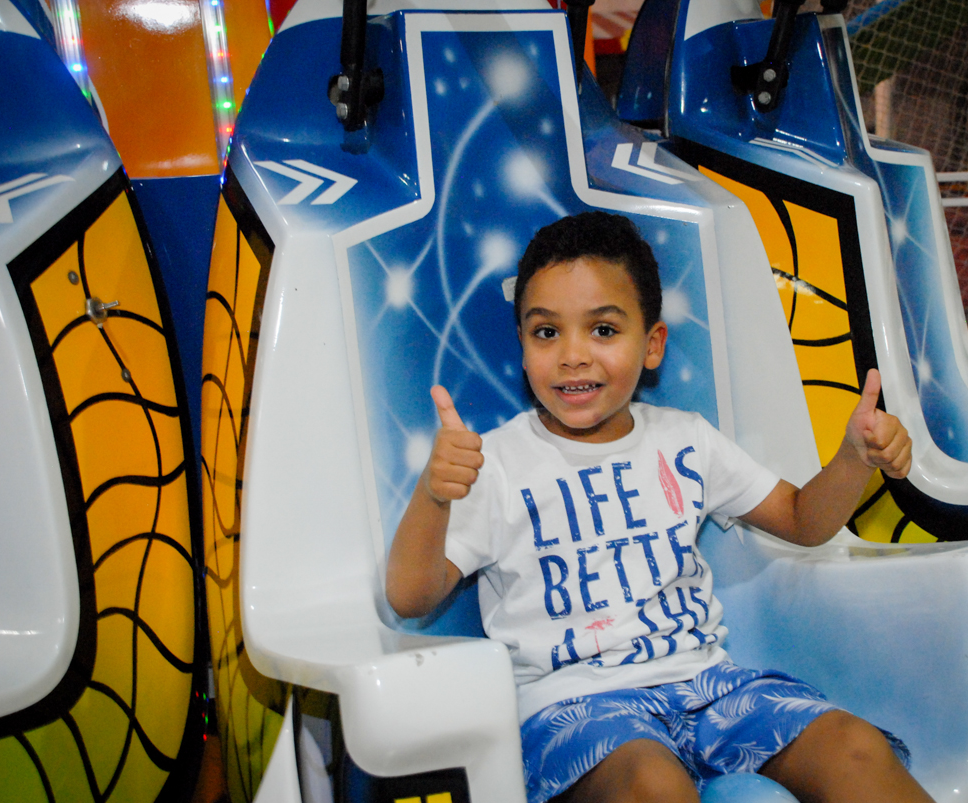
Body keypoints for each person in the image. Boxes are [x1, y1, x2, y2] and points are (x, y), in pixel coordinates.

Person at [386, 212, 930, 803]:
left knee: (854, 745)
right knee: (653, 786)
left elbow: (803, 520)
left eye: (602, 331)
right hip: (574, 708)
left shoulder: (685, 439)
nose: (572, 356)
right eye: (547, 333)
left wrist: (854, 459)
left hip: (708, 685)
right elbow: (411, 597)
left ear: (652, 345)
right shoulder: (494, 461)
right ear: (522, 344)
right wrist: (434, 493)